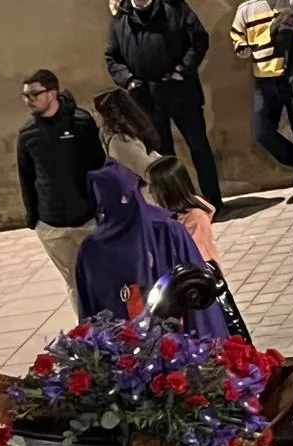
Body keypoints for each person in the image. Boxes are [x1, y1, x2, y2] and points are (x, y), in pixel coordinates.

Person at [106, 0, 224, 208]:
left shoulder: (174, 8)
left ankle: (213, 200)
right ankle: (180, 204)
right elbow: (112, 58)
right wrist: (128, 80)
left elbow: (198, 39)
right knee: (162, 157)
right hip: (145, 100)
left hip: (181, 93)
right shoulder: (121, 18)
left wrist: (182, 70)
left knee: (199, 147)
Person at [74, 162, 213, 329]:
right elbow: (90, 308)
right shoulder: (91, 248)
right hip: (118, 343)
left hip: (174, 341)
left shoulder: (166, 231)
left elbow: (197, 294)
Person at [17, 70, 107, 305]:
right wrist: (34, 220)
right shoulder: (27, 135)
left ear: (53, 93)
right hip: (52, 226)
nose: (29, 100)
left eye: (34, 94)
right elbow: (26, 178)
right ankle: (88, 335)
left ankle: (116, 331)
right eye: (25, 96)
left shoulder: (80, 122)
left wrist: (101, 209)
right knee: (74, 283)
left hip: (88, 221)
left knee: (102, 278)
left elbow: (99, 167)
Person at [231, 0, 293, 203]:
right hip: (263, 79)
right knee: (262, 132)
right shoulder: (246, 8)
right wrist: (242, 47)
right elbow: (236, 35)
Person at [147, 155, 222, 266]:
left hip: (199, 277)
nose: (149, 191)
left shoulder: (195, 217)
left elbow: (195, 255)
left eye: (152, 186)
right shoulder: (168, 213)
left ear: (168, 188)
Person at [92, 88, 163, 186]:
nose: (94, 115)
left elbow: (149, 173)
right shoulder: (106, 133)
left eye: (96, 111)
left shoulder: (121, 143)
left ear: (108, 114)